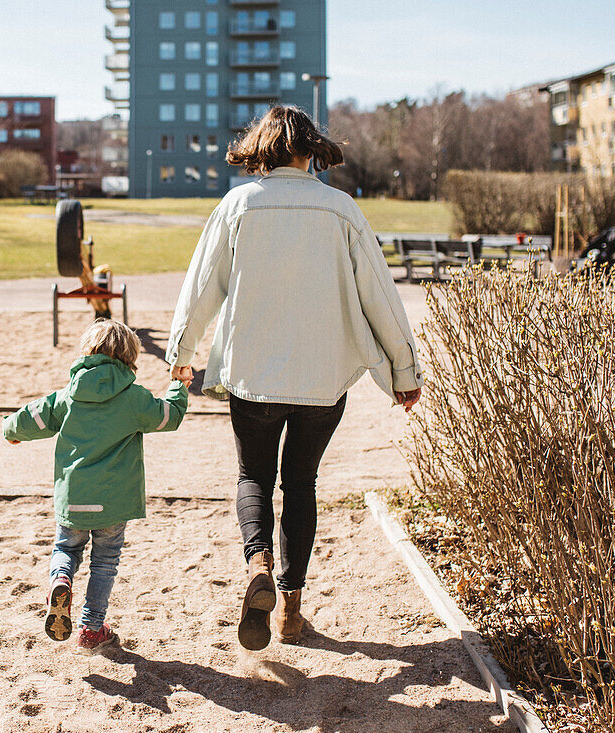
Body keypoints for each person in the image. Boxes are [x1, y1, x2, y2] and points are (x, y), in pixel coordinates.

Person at [166, 105, 423, 651]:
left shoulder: (237, 206)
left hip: (253, 378)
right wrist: (404, 368)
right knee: (300, 484)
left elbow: (202, 285)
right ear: (311, 151)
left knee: (253, 478)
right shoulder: (341, 209)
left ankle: (256, 563)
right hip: (322, 379)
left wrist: (182, 352)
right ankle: (290, 608)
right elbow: (380, 293)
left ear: (261, 149)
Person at [3, 319, 189, 654]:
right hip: (114, 503)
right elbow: (169, 417)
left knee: (66, 550)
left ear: (87, 353)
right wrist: (178, 385)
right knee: (105, 562)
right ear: (130, 357)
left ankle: (61, 581)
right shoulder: (134, 398)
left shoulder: (68, 396)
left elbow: (31, 418)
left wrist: (11, 430)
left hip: (74, 498)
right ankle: (91, 628)